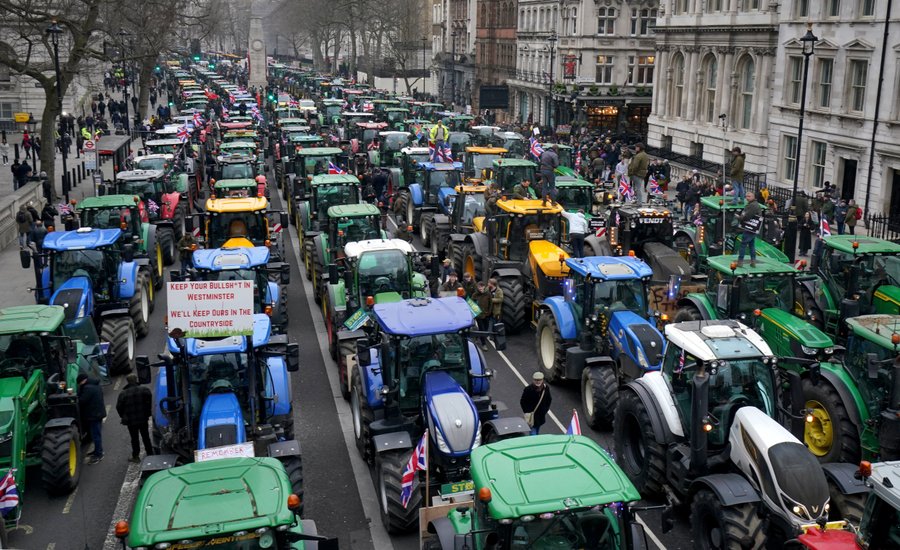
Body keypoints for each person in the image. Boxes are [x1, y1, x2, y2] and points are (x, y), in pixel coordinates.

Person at [116, 373, 154, 463]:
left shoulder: (123, 393)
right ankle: (150, 453)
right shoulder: (144, 390)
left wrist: (124, 416)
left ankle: (136, 456)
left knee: (134, 438)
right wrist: (147, 412)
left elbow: (119, 407)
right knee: (146, 436)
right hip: (143, 418)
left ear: (128, 381)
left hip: (131, 421)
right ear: (136, 379)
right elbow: (149, 402)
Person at [77, 372, 106, 464]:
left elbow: (82, 401)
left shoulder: (87, 388)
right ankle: (97, 451)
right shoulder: (95, 385)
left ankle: (99, 454)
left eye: (79, 383)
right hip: (98, 413)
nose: (80, 385)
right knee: (96, 435)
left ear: (82, 381)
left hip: (94, 415)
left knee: (96, 436)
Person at [736, 192, 762, 267]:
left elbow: (746, 217)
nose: (747, 198)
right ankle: (753, 262)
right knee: (751, 245)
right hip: (753, 229)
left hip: (749, 228)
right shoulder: (754, 204)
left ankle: (740, 262)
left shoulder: (752, 205)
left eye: (749, 196)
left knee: (743, 244)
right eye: (746, 196)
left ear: (753, 197)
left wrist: (739, 217)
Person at [473, 281, 492, 350]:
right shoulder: (475, 294)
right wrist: (476, 313)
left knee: (486, 328)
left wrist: (489, 312)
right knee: (482, 329)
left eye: (481, 286)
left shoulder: (488, 294)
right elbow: (472, 304)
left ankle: (477, 336)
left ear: (484, 287)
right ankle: (484, 344)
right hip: (479, 315)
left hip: (486, 314)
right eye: (479, 287)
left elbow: (490, 304)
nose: (480, 288)